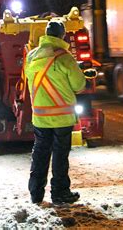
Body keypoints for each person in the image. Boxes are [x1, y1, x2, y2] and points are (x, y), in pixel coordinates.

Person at [25, 20, 86, 205]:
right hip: (61, 118)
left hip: (40, 117)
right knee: (60, 156)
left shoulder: (32, 56)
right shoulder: (65, 57)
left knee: (40, 153)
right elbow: (79, 85)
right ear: (62, 36)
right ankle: (60, 193)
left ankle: (36, 193)